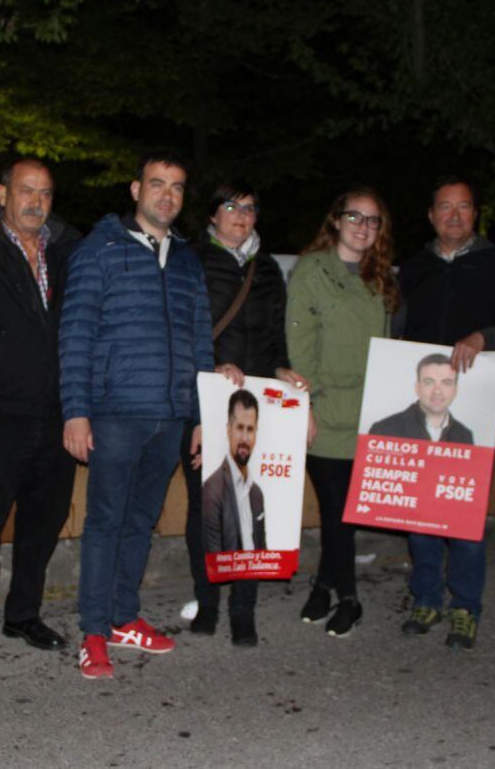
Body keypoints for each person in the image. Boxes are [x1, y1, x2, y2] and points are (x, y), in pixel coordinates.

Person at [60, 151, 215, 679]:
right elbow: (75, 335)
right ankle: (94, 632)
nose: (167, 195)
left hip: (170, 415)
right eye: (157, 184)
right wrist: (76, 412)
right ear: (135, 189)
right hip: (115, 414)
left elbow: (200, 344)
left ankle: (124, 616)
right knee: (105, 523)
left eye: (176, 186)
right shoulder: (99, 250)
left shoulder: (189, 260)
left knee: (140, 522)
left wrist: (201, 416)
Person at [396, 176, 495, 649]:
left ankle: (465, 608)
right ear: (431, 215)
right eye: (445, 208)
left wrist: (485, 337)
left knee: (464, 517)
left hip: (472, 413)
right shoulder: (412, 268)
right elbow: (394, 335)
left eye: (464, 207)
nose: (454, 216)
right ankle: (427, 597)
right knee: (420, 515)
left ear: (475, 214)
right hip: (418, 410)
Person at [0, 159, 81, 662]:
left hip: (56, 413)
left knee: (42, 524)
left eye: (46, 193)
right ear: (2, 194)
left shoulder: (70, 250)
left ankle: (24, 614)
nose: (36, 201)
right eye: (26, 191)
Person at [181, 181, 306, 645]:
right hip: (206, 400)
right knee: (207, 508)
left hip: (256, 407)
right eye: (231, 206)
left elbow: (275, 336)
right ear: (213, 215)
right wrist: (210, 365)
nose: (241, 215)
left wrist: (282, 369)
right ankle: (209, 601)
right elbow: (182, 330)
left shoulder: (268, 268)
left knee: (256, 504)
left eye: (250, 208)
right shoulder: (189, 260)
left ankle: (244, 609)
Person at [286, 186, 399, 638]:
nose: (363, 226)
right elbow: (300, 343)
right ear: (335, 220)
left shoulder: (381, 276)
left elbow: (388, 346)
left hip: (368, 413)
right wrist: (306, 407)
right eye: (355, 216)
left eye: (373, 220)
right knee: (338, 512)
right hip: (326, 408)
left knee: (347, 512)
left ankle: (321, 587)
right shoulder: (311, 270)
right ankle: (349, 598)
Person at [201, 393, 267, 617]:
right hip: (226, 571)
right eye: (240, 427)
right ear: (229, 429)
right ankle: (213, 609)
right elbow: (213, 552)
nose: (245, 437)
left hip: (248, 578)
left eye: (251, 429)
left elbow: (260, 548)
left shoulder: (257, 493)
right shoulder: (213, 488)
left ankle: (245, 610)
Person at [369, 354, 474, 444]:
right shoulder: (383, 430)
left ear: (455, 390)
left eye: (446, 383)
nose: (437, 391)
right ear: (417, 387)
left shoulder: (465, 436)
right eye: (429, 382)